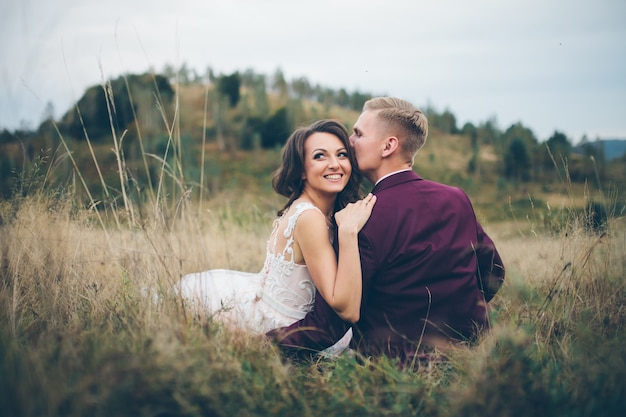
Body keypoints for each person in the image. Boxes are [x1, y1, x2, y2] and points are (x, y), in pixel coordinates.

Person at [267, 97, 505, 364]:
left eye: (358, 133)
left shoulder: (363, 218)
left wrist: (266, 343)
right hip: (470, 356)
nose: (349, 140)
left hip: (394, 364)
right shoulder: (456, 198)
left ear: (388, 145)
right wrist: (461, 320)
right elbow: (494, 272)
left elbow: (328, 326)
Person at [176, 119, 376, 352]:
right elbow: (345, 308)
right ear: (301, 169)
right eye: (320, 156)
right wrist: (349, 233)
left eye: (342, 155)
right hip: (284, 325)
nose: (334, 164)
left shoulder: (316, 210)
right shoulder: (310, 217)